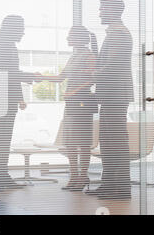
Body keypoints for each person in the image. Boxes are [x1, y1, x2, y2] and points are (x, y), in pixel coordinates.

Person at [85, 0, 134, 199]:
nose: (99, 13)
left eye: (102, 8)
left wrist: (92, 74)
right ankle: (109, 184)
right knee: (108, 141)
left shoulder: (118, 33)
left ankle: (120, 188)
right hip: (110, 94)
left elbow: (112, 66)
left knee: (115, 141)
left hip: (115, 94)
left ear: (113, 10)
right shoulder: (113, 33)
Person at [0, 15, 41, 191]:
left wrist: (20, 98)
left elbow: (11, 74)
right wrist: (32, 76)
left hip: (3, 100)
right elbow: (8, 74)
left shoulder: (8, 47)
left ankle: (0, 175)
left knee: (2, 140)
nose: (23, 32)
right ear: (12, 29)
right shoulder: (1, 47)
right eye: (21, 28)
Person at [41, 25, 98, 191]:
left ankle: (83, 176)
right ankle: (74, 176)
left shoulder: (89, 55)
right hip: (71, 103)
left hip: (82, 102)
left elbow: (93, 78)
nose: (67, 39)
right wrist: (39, 77)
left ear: (79, 38)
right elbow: (60, 78)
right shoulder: (73, 56)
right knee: (70, 142)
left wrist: (74, 90)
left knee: (83, 142)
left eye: (70, 36)